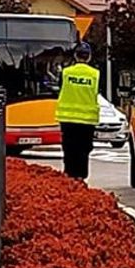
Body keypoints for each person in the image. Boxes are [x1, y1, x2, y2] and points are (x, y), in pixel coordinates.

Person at [54, 42, 101, 180]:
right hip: (87, 120)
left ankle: (69, 175)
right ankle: (81, 177)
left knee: (69, 149)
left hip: (68, 119)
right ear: (89, 57)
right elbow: (97, 92)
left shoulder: (66, 73)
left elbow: (60, 90)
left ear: (75, 56)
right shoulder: (95, 74)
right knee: (84, 150)